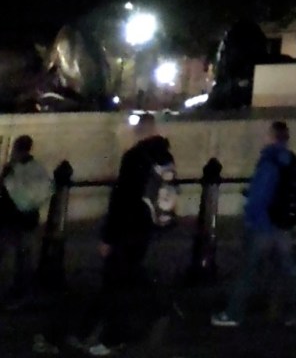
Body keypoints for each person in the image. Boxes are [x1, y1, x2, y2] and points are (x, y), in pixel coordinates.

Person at [74, 114, 176, 355]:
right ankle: (94, 328)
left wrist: (107, 237)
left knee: (115, 281)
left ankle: (113, 335)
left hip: (127, 229)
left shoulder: (134, 157)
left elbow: (121, 201)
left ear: (139, 131)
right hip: (148, 226)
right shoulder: (165, 156)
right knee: (127, 275)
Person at [211, 121, 296, 328]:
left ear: (272, 136)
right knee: (289, 269)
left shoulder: (268, 160)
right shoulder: (290, 160)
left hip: (263, 224)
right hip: (282, 222)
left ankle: (234, 313)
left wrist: (249, 216)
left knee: (247, 270)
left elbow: (260, 196)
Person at [0, 135, 52, 308]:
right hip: (24, 219)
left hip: (13, 219)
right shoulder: (38, 169)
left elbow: (10, 192)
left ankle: (18, 292)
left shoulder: (15, 169)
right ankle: (19, 291)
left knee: (17, 257)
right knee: (22, 257)